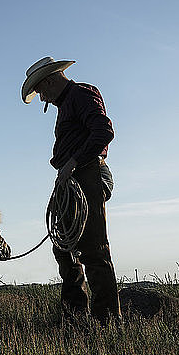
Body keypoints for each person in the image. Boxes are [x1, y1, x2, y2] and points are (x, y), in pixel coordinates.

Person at [20, 56, 121, 326]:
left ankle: (106, 322)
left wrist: (73, 163)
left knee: (94, 249)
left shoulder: (82, 94)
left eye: (41, 90)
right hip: (72, 178)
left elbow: (103, 130)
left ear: (51, 81)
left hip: (87, 174)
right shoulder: (67, 103)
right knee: (63, 247)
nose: (41, 98)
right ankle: (75, 316)